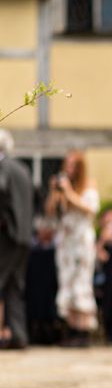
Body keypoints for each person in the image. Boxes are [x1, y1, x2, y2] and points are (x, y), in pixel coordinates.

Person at [45, 150, 100, 347]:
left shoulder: (88, 187)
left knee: (81, 283)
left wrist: (68, 191)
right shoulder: (63, 189)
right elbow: (50, 212)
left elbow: (89, 209)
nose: (68, 169)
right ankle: (72, 329)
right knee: (67, 282)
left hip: (81, 242)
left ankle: (83, 331)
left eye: (72, 165)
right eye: (66, 164)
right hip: (65, 243)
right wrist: (54, 192)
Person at [0, 129, 33, 349]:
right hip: (24, 236)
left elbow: (1, 192)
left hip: (6, 235)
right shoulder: (23, 168)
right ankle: (19, 336)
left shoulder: (3, 167)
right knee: (15, 286)